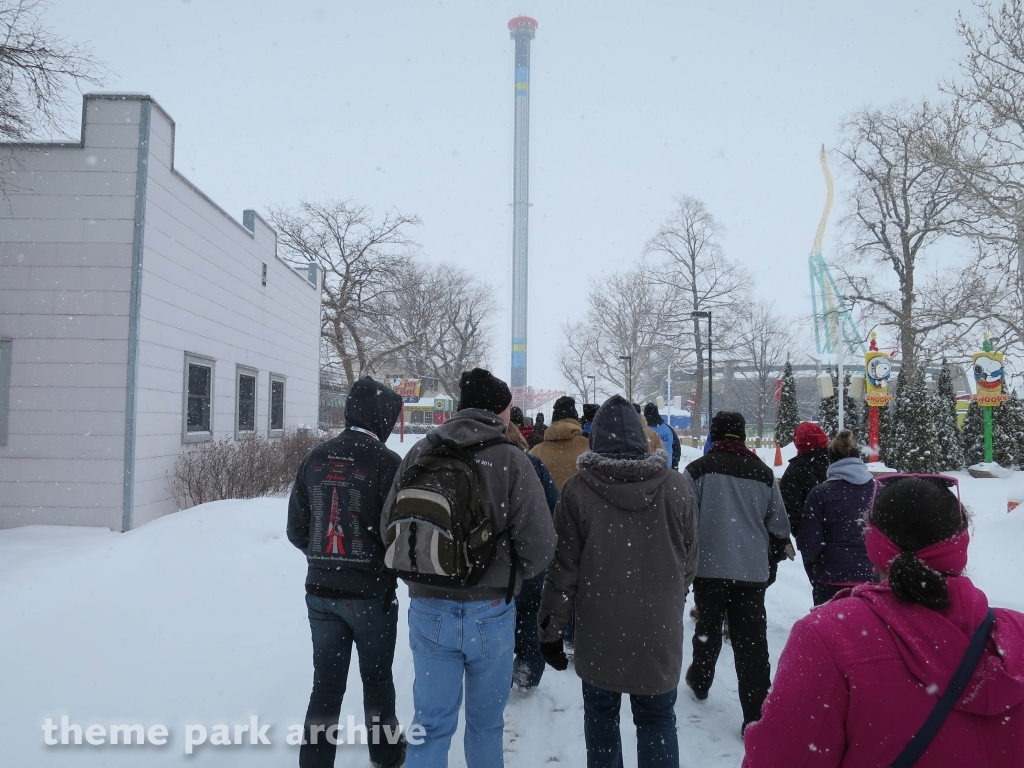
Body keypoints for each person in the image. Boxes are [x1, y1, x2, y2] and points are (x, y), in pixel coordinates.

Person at [743, 476, 1024, 766]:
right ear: (961, 544)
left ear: (874, 543)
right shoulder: (1017, 635)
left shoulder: (828, 637)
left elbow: (782, 758)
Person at [381, 368, 556, 768]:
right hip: (491, 613)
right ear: (498, 412)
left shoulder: (420, 452)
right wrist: (505, 573)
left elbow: (387, 527)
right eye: (510, 409)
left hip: (428, 609)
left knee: (430, 723)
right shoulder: (512, 460)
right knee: (485, 725)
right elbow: (540, 546)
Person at [538, 395, 699, 768]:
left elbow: (563, 571)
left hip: (599, 634)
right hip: (659, 632)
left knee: (600, 718)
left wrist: (550, 632)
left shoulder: (578, 491)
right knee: (657, 719)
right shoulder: (676, 487)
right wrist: (669, 595)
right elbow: (689, 561)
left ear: (597, 440)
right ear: (642, 439)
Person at [286, 377, 407, 768]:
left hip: (321, 593)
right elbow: (401, 536)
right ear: (382, 418)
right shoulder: (388, 464)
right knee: (377, 681)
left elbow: (296, 530)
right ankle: (386, 755)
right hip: (371, 595)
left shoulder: (315, 458)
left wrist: (324, 558)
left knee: (326, 685)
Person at [683, 411, 791, 734]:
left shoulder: (697, 471)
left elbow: (686, 522)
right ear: (742, 436)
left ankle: (700, 679)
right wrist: (768, 561)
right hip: (751, 573)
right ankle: (756, 716)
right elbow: (779, 526)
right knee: (752, 643)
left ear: (714, 435)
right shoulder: (763, 474)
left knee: (709, 626)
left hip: (709, 568)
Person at [505, 421, 560, 690]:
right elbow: (554, 507)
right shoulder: (533, 465)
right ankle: (529, 665)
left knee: (499, 613)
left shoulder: (483, 465)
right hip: (530, 556)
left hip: (494, 559)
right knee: (530, 611)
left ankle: (498, 665)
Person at [796, 430, 877, 606]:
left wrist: (819, 562)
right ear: (859, 460)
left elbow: (809, 543)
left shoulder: (820, 494)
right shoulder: (879, 492)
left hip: (831, 579)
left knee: (831, 632)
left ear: (831, 462)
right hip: (873, 579)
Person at [530, 396, 591, 490]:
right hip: (583, 503)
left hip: (548, 504)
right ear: (575, 419)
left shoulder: (536, 452)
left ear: (553, 420)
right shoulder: (590, 447)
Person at [644, 401, 681, 470]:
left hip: (649, 472)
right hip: (668, 470)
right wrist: (674, 466)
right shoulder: (668, 429)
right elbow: (676, 449)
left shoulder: (644, 431)